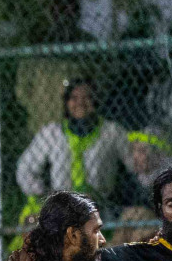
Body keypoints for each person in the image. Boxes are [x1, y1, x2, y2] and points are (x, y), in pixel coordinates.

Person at [15, 80, 132, 209]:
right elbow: (24, 169)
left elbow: (134, 163)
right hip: (61, 207)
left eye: (87, 97)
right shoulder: (52, 133)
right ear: (66, 102)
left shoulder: (111, 131)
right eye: (74, 98)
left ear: (96, 101)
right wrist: (45, 195)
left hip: (101, 206)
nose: (80, 103)